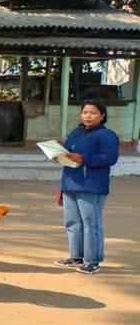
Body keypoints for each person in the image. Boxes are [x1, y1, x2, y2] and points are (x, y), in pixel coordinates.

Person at [54, 100, 120, 274]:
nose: (88, 116)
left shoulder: (107, 135)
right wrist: (58, 154)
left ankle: (93, 261)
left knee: (91, 223)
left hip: (91, 186)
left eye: (93, 113)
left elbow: (109, 158)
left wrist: (83, 158)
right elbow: (69, 154)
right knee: (72, 222)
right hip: (70, 182)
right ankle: (76, 256)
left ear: (102, 116)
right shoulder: (77, 132)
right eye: (85, 112)